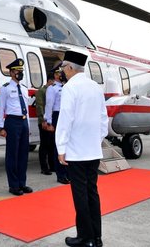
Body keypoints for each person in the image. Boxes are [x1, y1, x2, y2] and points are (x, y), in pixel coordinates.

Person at [56, 51, 107, 247]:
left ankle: (85, 238)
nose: (62, 72)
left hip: (76, 151)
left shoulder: (70, 87)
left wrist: (61, 146)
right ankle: (97, 237)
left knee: (80, 194)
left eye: (63, 68)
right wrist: (97, 139)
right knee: (92, 192)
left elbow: (65, 119)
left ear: (70, 67)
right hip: (93, 150)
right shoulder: (95, 87)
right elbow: (103, 119)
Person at [0, 58, 33, 196]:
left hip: (23, 122)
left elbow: (27, 110)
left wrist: (28, 126)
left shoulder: (24, 89)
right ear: (11, 72)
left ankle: (22, 183)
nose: (20, 73)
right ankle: (13, 185)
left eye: (21, 71)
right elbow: (1, 108)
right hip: (12, 122)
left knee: (23, 154)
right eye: (17, 71)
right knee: (13, 154)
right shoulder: (5, 88)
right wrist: (1, 127)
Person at [45, 64, 70, 184]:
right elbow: (49, 105)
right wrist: (48, 121)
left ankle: (68, 172)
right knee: (59, 145)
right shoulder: (52, 88)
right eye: (61, 73)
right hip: (57, 116)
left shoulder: (66, 87)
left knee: (67, 144)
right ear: (56, 75)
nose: (63, 75)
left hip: (65, 115)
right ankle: (60, 174)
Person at [35, 72, 55, 175]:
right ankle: (44, 167)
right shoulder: (41, 91)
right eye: (53, 81)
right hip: (44, 122)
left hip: (50, 121)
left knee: (51, 145)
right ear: (50, 81)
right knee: (44, 145)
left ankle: (52, 166)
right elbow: (39, 106)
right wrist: (43, 120)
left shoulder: (51, 90)